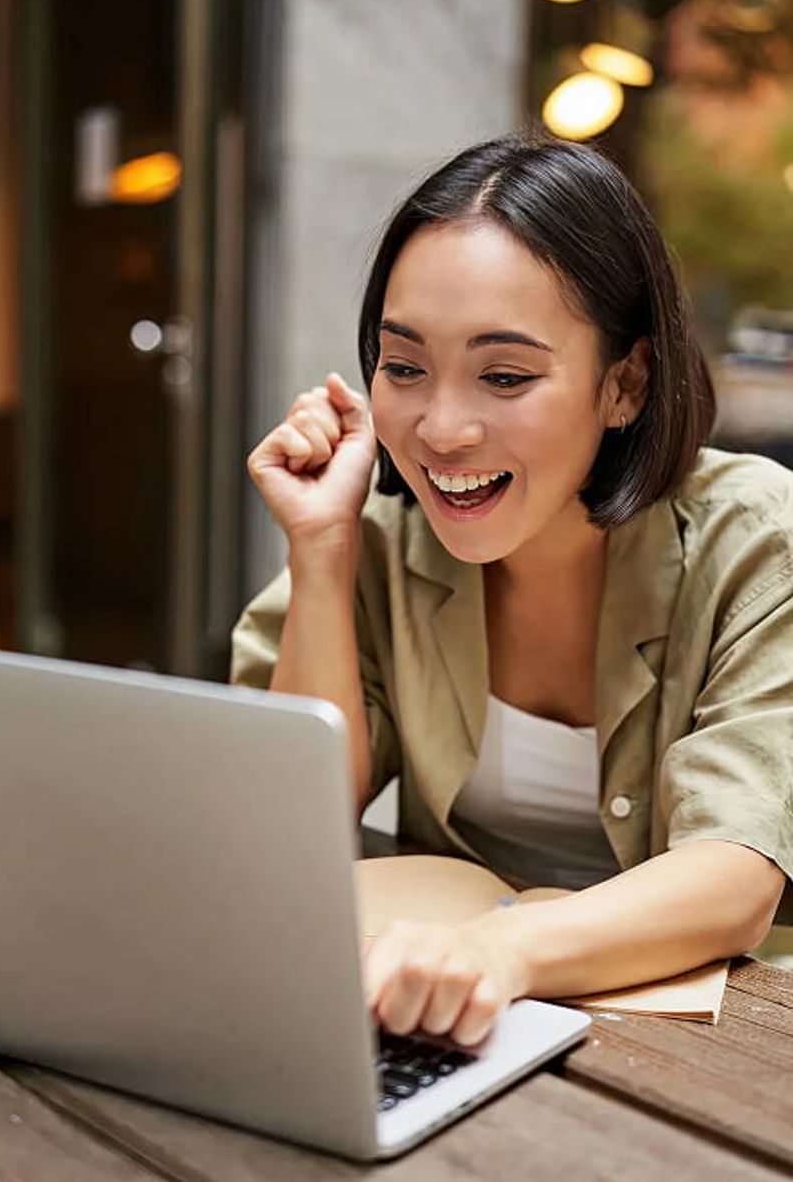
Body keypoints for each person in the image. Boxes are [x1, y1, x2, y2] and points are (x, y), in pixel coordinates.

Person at [231, 134, 792, 1048]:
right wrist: (322, 553)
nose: (441, 429)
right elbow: (286, 829)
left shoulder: (758, 539)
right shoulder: (377, 540)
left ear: (627, 383)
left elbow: (734, 875)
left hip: (710, 1044)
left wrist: (498, 953)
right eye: (404, 367)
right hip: (442, 1027)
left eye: (505, 376)